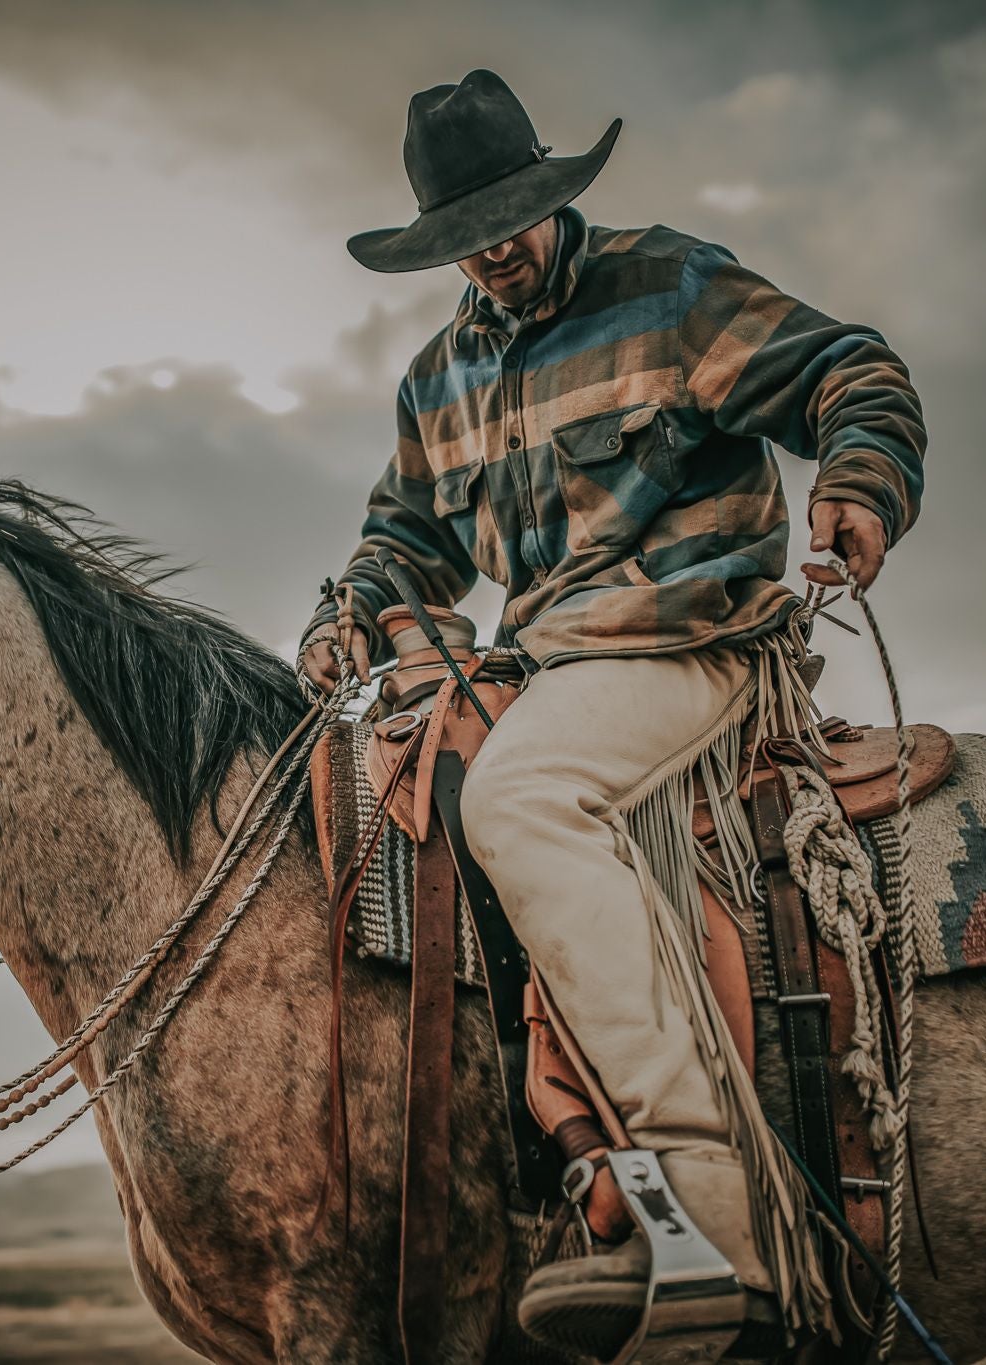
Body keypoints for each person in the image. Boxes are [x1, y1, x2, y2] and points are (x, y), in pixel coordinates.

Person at [300, 70, 925, 1357]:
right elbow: (403, 540)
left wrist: (856, 479)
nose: (495, 246)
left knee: (523, 798)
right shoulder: (435, 383)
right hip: (550, 665)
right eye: (464, 233)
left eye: (514, 213)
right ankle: (566, 1177)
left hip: (692, 642)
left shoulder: (667, 288)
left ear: (551, 190)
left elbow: (847, 371)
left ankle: (712, 1211)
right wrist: (349, 613)